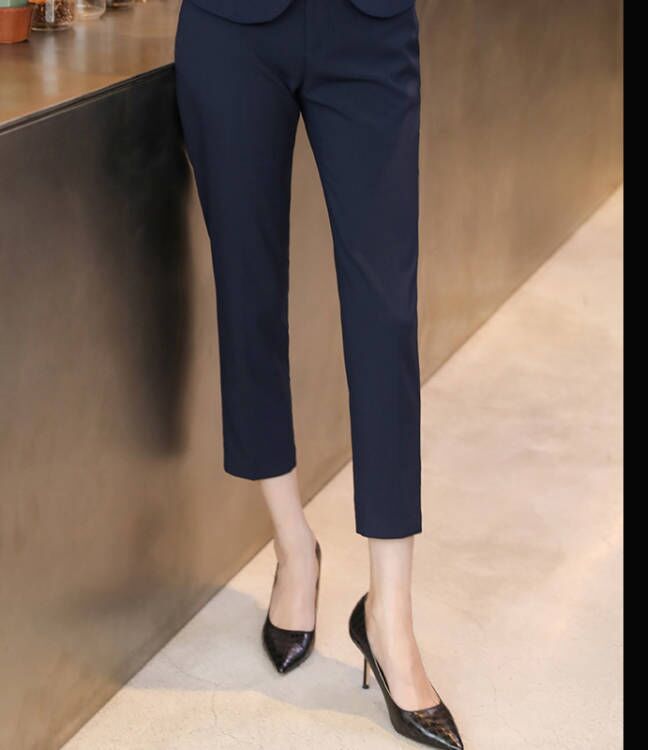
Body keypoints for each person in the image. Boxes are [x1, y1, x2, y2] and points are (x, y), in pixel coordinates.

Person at [174, 0, 463, 747]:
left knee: (386, 315)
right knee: (248, 297)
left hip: (369, 26)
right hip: (232, 27)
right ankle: (293, 545)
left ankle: (389, 618)